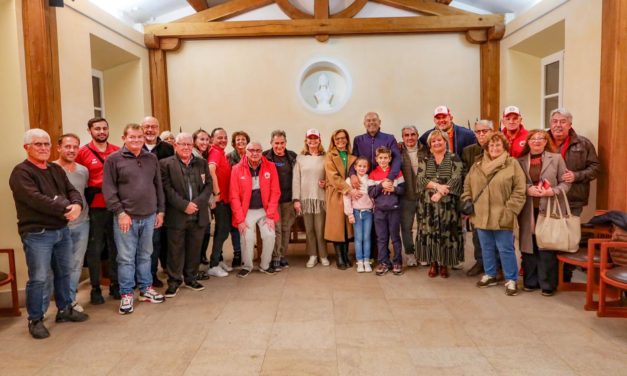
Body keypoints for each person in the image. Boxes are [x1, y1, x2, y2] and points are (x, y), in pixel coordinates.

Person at [10, 129, 89, 339]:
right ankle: (35, 319)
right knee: (39, 278)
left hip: (61, 230)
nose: (44, 148)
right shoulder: (21, 173)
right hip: (38, 234)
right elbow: (36, 199)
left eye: (46, 144)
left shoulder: (55, 169)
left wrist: (77, 204)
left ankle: (64, 310)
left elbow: (72, 190)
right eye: (38, 144)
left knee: (64, 272)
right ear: (27, 147)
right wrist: (67, 207)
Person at [103, 123, 166, 314]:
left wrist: (160, 211)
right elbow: (109, 190)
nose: (137, 140)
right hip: (126, 218)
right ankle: (126, 294)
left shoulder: (151, 158)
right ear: (124, 138)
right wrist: (120, 213)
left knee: (146, 255)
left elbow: (158, 186)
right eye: (132, 137)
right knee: (125, 258)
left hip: (149, 216)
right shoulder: (113, 160)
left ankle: (146, 289)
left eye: (139, 137)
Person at [462, 132, 527, 296]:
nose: (494, 148)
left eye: (498, 145)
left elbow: (520, 190)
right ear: (486, 147)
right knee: (486, 247)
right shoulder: (477, 165)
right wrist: (468, 200)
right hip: (481, 213)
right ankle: (490, 274)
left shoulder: (512, 164)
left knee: (506, 248)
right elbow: (467, 185)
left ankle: (511, 279)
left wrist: (510, 210)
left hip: (502, 214)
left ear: (504, 147)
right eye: (491, 145)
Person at [548, 108, 600, 282]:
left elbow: (595, 168)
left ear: (570, 124)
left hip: (573, 199)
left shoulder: (583, 144)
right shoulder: (542, 140)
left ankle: (565, 275)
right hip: (547, 199)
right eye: (555, 121)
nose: (558, 125)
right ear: (550, 123)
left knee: (568, 238)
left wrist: (576, 175)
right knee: (547, 235)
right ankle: (549, 275)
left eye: (563, 122)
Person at [517, 129, 571, 296]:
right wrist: (528, 189)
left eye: (541, 138)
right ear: (528, 142)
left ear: (546, 141)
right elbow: (515, 184)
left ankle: (547, 284)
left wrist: (552, 192)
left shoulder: (556, 159)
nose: (537, 141)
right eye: (533, 139)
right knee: (528, 246)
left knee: (546, 246)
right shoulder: (519, 161)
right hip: (527, 210)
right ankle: (530, 282)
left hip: (549, 208)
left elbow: (565, 183)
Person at [161, 133, 212, 298]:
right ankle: (174, 282)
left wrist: (196, 204)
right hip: (177, 215)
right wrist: (184, 205)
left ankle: (191, 278)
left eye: (189, 144)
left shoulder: (202, 163)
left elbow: (208, 186)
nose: (186, 147)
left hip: (198, 215)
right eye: (182, 144)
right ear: (175, 145)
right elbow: (167, 189)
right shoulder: (165, 164)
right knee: (175, 251)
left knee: (194, 250)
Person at [75, 117, 120, 303]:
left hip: (115, 206)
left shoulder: (117, 151)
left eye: (104, 128)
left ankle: (115, 284)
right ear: (89, 130)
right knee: (94, 249)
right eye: (97, 128)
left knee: (115, 247)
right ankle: (95, 288)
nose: (101, 131)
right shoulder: (82, 153)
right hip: (94, 208)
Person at [350, 112, 401, 261]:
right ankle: (371, 255)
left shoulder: (389, 138)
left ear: (380, 122)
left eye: (374, 120)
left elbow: (397, 160)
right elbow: (354, 160)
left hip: (385, 184)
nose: (371, 122)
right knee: (371, 222)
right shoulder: (358, 140)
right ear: (364, 123)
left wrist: (389, 179)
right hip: (367, 183)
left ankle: (384, 256)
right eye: (368, 120)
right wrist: (353, 174)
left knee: (384, 227)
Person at [417, 130, 464, 278]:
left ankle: (444, 264)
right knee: (430, 232)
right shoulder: (424, 159)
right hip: (427, 205)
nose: (437, 143)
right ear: (430, 144)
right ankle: (433, 263)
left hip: (448, 205)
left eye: (440, 140)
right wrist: (437, 187)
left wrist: (441, 192)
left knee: (446, 233)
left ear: (445, 141)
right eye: (434, 141)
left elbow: (456, 178)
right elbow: (420, 180)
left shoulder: (454, 158)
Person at [230, 141, 281, 277]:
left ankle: (265, 265)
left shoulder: (270, 167)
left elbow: (275, 192)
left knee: (270, 235)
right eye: (251, 150)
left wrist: (270, 215)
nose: (255, 153)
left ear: (262, 152)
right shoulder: (236, 169)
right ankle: (247, 265)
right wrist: (240, 219)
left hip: (265, 210)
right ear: (246, 152)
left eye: (258, 150)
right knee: (247, 237)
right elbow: (233, 196)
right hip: (246, 211)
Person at [53, 134, 90, 312]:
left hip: (82, 224)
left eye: (75, 147)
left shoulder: (83, 171)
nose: (72, 150)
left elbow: (82, 194)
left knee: (76, 264)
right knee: (57, 266)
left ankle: (70, 300)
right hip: (59, 226)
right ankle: (47, 306)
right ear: (59, 147)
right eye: (68, 146)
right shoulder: (50, 169)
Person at [461, 120, 497, 277]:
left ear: (492, 131)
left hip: (496, 199)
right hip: (477, 199)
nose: (481, 134)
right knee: (477, 234)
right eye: (478, 131)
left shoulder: (499, 148)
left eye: (485, 131)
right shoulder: (469, 151)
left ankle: (498, 266)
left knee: (497, 236)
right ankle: (481, 262)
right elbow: (464, 176)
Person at [142, 116, 174, 288]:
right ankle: (150, 275)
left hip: (166, 200)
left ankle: (169, 270)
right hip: (145, 202)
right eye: (146, 126)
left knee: (166, 239)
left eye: (153, 127)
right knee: (151, 242)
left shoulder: (168, 149)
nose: (150, 130)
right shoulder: (136, 148)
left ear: (158, 129)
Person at [293, 128, 328, 268]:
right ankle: (312, 255)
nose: (312, 141)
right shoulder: (300, 158)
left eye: (315, 138)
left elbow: (330, 176)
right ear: (306, 140)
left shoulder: (326, 157)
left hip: (320, 199)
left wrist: (326, 183)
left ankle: (323, 255)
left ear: (319, 140)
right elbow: (296, 179)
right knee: (309, 229)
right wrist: (296, 199)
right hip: (306, 200)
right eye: (310, 138)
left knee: (320, 229)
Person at [263, 130, 298, 271]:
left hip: (288, 199)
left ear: (286, 143)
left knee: (285, 228)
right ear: (271, 143)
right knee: (276, 228)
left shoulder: (292, 156)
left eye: (282, 143)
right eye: (276, 143)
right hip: (272, 201)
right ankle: (275, 256)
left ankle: (283, 255)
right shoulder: (265, 156)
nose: (279, 146)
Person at [368, 147, 405, 276]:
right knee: (382, 238)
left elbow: (402, 190)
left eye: (385, 158)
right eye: (380, 158)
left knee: (395, 237)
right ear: (376, 159)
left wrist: (393, 189)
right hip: (379, 211)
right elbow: (371, 193)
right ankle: (384, 262)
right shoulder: (372, 174)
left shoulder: (397, 173)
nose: (383, 160)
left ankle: (397, 262)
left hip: (394, 210)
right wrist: (381, 186)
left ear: (390, 159)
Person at [324, 129, 357, 270]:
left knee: (347, 226)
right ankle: (339, 257)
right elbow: (333, 176)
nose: (340, 141)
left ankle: (345, 254)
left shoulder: (351, 156)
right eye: (337, 139)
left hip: (349, 194)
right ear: (333, 141)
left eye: (343, 138)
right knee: (337, 226)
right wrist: (348, 189)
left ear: (347, 139)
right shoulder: (330, 156)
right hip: (336, 192)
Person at [398, 125, 428, 267]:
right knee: (406, 227)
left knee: (424, 226)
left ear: (417, 135)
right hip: (406, 196)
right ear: (402, 137)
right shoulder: (398, 151)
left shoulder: (426, 150)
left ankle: (422, 253)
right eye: (406, 135)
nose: (410, 138)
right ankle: (410, 254)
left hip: (424, 195)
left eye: (412, 134)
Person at [207, 127, 233, 277]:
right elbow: (211, 170)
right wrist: (216, 192)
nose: (223, 140)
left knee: (221, 231)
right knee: (222, 231)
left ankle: (219, 259)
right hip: (220, 200)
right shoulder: (215, 152)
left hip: (226, 199)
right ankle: (214, 264)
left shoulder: (221, 153)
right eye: (219, 138)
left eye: (225, 137)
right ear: (212, 139)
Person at [343, 157, 374, 272]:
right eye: (359, 166)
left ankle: (366, 260)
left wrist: (374, 208)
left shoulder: (370, 179)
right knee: (358, 238)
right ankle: (360, 261)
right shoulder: (349, 180)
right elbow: (346, 198)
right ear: (355, 167)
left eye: (364, 166)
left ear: (368, 168)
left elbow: (373, 196)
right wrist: (349, 214)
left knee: (367, 237)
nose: (362, 168)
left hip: (368, 212)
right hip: (356, 213)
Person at [226, 130, 250, 268]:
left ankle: (248, 253)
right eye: (238, 140)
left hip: (249, 198)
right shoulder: (228, 157)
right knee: (235, 226)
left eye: (243, 139)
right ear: (234, 143)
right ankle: (237, 252)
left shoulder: (252, 155)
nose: (241, 142)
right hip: (234, 197)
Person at [192, 129, 212, 268]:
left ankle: (199, 259)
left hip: (203, 200)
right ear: (194, 141)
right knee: (197, 235)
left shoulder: (201, 156)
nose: (205, 142)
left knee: (205, 230)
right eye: (201, 139)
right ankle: (194, 267)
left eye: (207, 139)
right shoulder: (194, 156)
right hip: (196, 202)